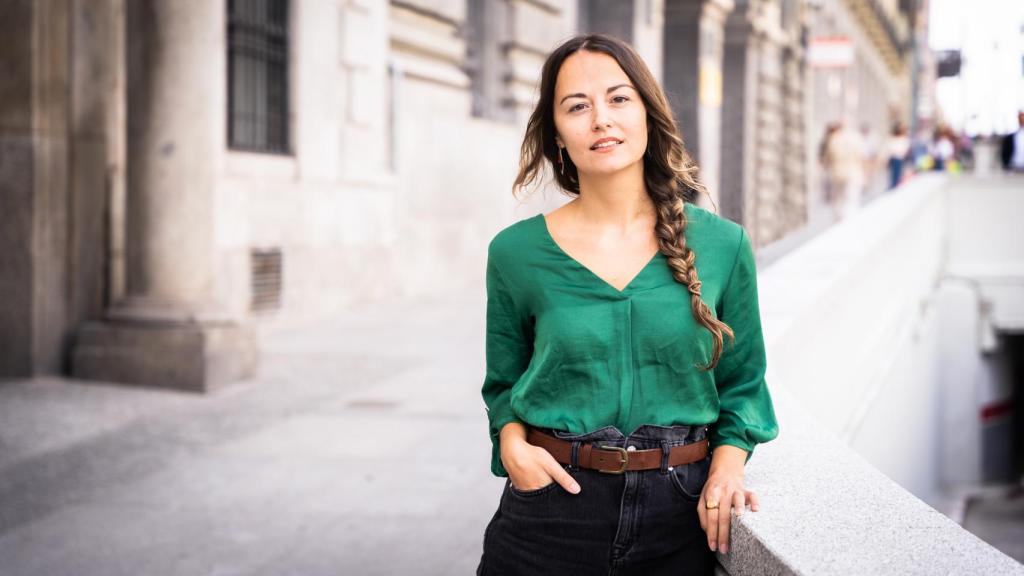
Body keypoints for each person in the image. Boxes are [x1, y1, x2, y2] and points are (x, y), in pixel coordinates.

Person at [477, 33, 779, 576]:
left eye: (618, 99)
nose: (601, 119)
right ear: (557, 138)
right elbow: (503, 384)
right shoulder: (515, 253)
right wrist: (512, 445)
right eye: (577, 106)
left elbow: (745, 386)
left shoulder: (723, 245)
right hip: (550, 515)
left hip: (680, 515)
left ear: (647, 113)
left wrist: (729, 467)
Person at [821, 120, 866, 222]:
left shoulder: (833, 139)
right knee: (851, 199)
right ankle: (849, 222)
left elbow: (827, 158)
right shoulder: (856, 138)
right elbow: (861, 156)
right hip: (853, 172)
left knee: (838, 200)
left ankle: (839, 221)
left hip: (837, 172)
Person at [884, 122, 911, 190]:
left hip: (899, 159)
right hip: (893, 158)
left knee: (898, 175)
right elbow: (889, 149)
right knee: (893, 176)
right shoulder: (892, 138)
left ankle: (896, 187)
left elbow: (905, 149)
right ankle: (893, 187)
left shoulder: (904, 138)